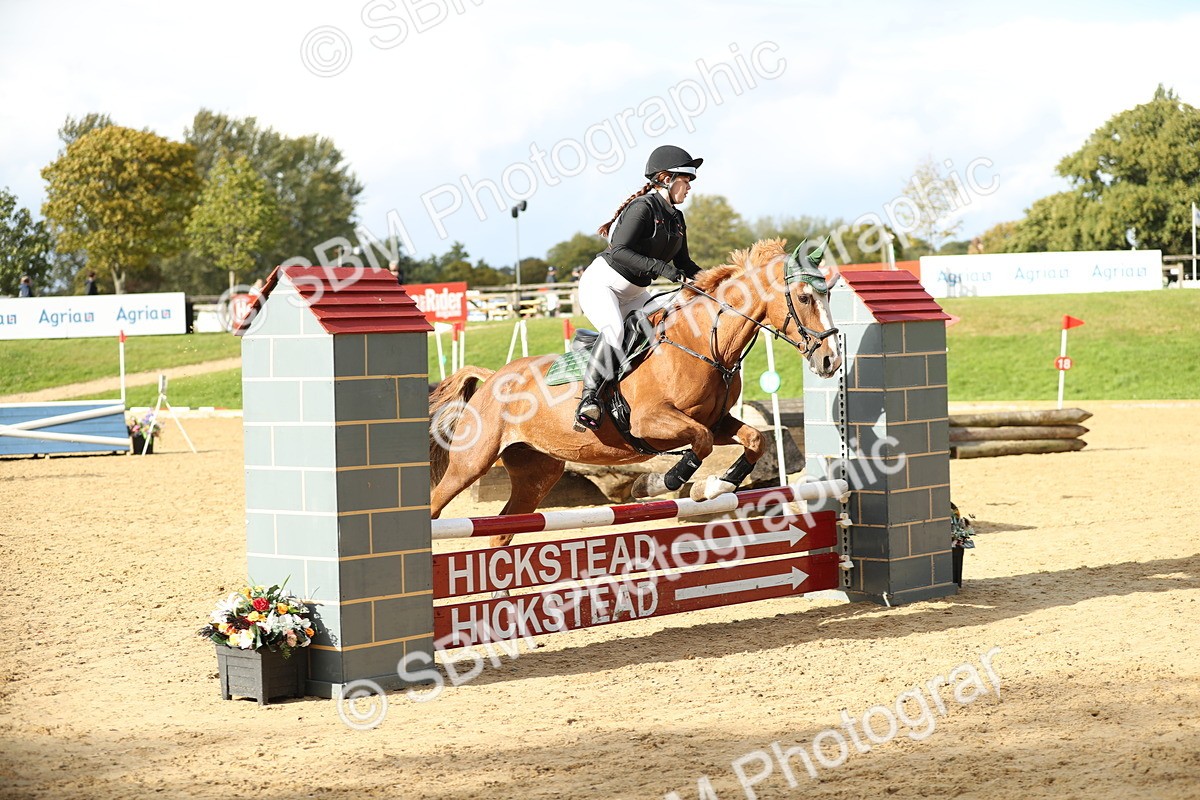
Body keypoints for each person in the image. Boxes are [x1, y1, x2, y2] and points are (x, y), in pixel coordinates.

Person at [574, 144, 704, 429]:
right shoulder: (642, 208)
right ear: (666, 179)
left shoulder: (677, 218)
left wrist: (713, 281)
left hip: (634, 293)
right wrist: (663, 269)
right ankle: (588, 400)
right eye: (686, 181)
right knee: (615, 330)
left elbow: (684, 263)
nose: (689, 188)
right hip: (603, 285)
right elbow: (620, 250)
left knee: (665, 323)